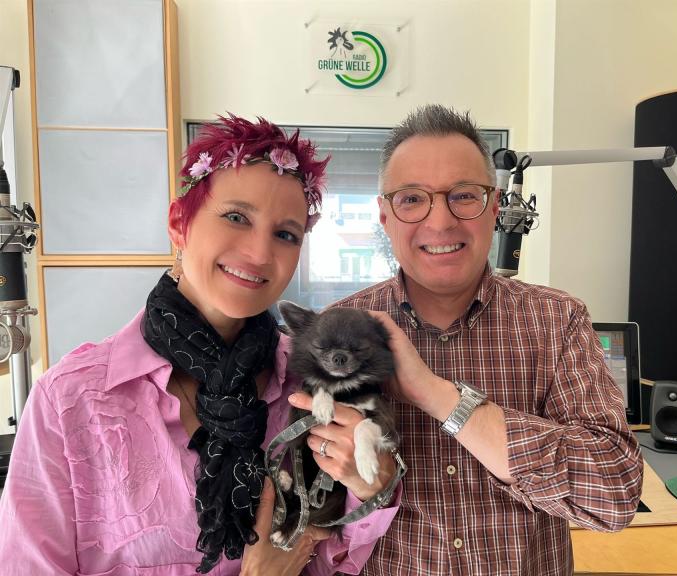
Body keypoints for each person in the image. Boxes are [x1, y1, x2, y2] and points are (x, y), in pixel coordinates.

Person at [0, 114, 399, 575]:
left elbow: (334, 554)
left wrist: (374, 487)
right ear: (179, 223)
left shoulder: (307, 381)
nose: (259, 253)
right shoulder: (72, 399)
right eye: (236, 217)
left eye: (285, 234)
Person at [326, 104, 643, 575]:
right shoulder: (339, 332)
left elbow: (615, 492)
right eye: (411, 199)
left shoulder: (557, 320)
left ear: (494, 208)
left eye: (463, 196)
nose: (440, 222)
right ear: (385, 216)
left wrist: (437, 395)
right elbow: (311, 514)